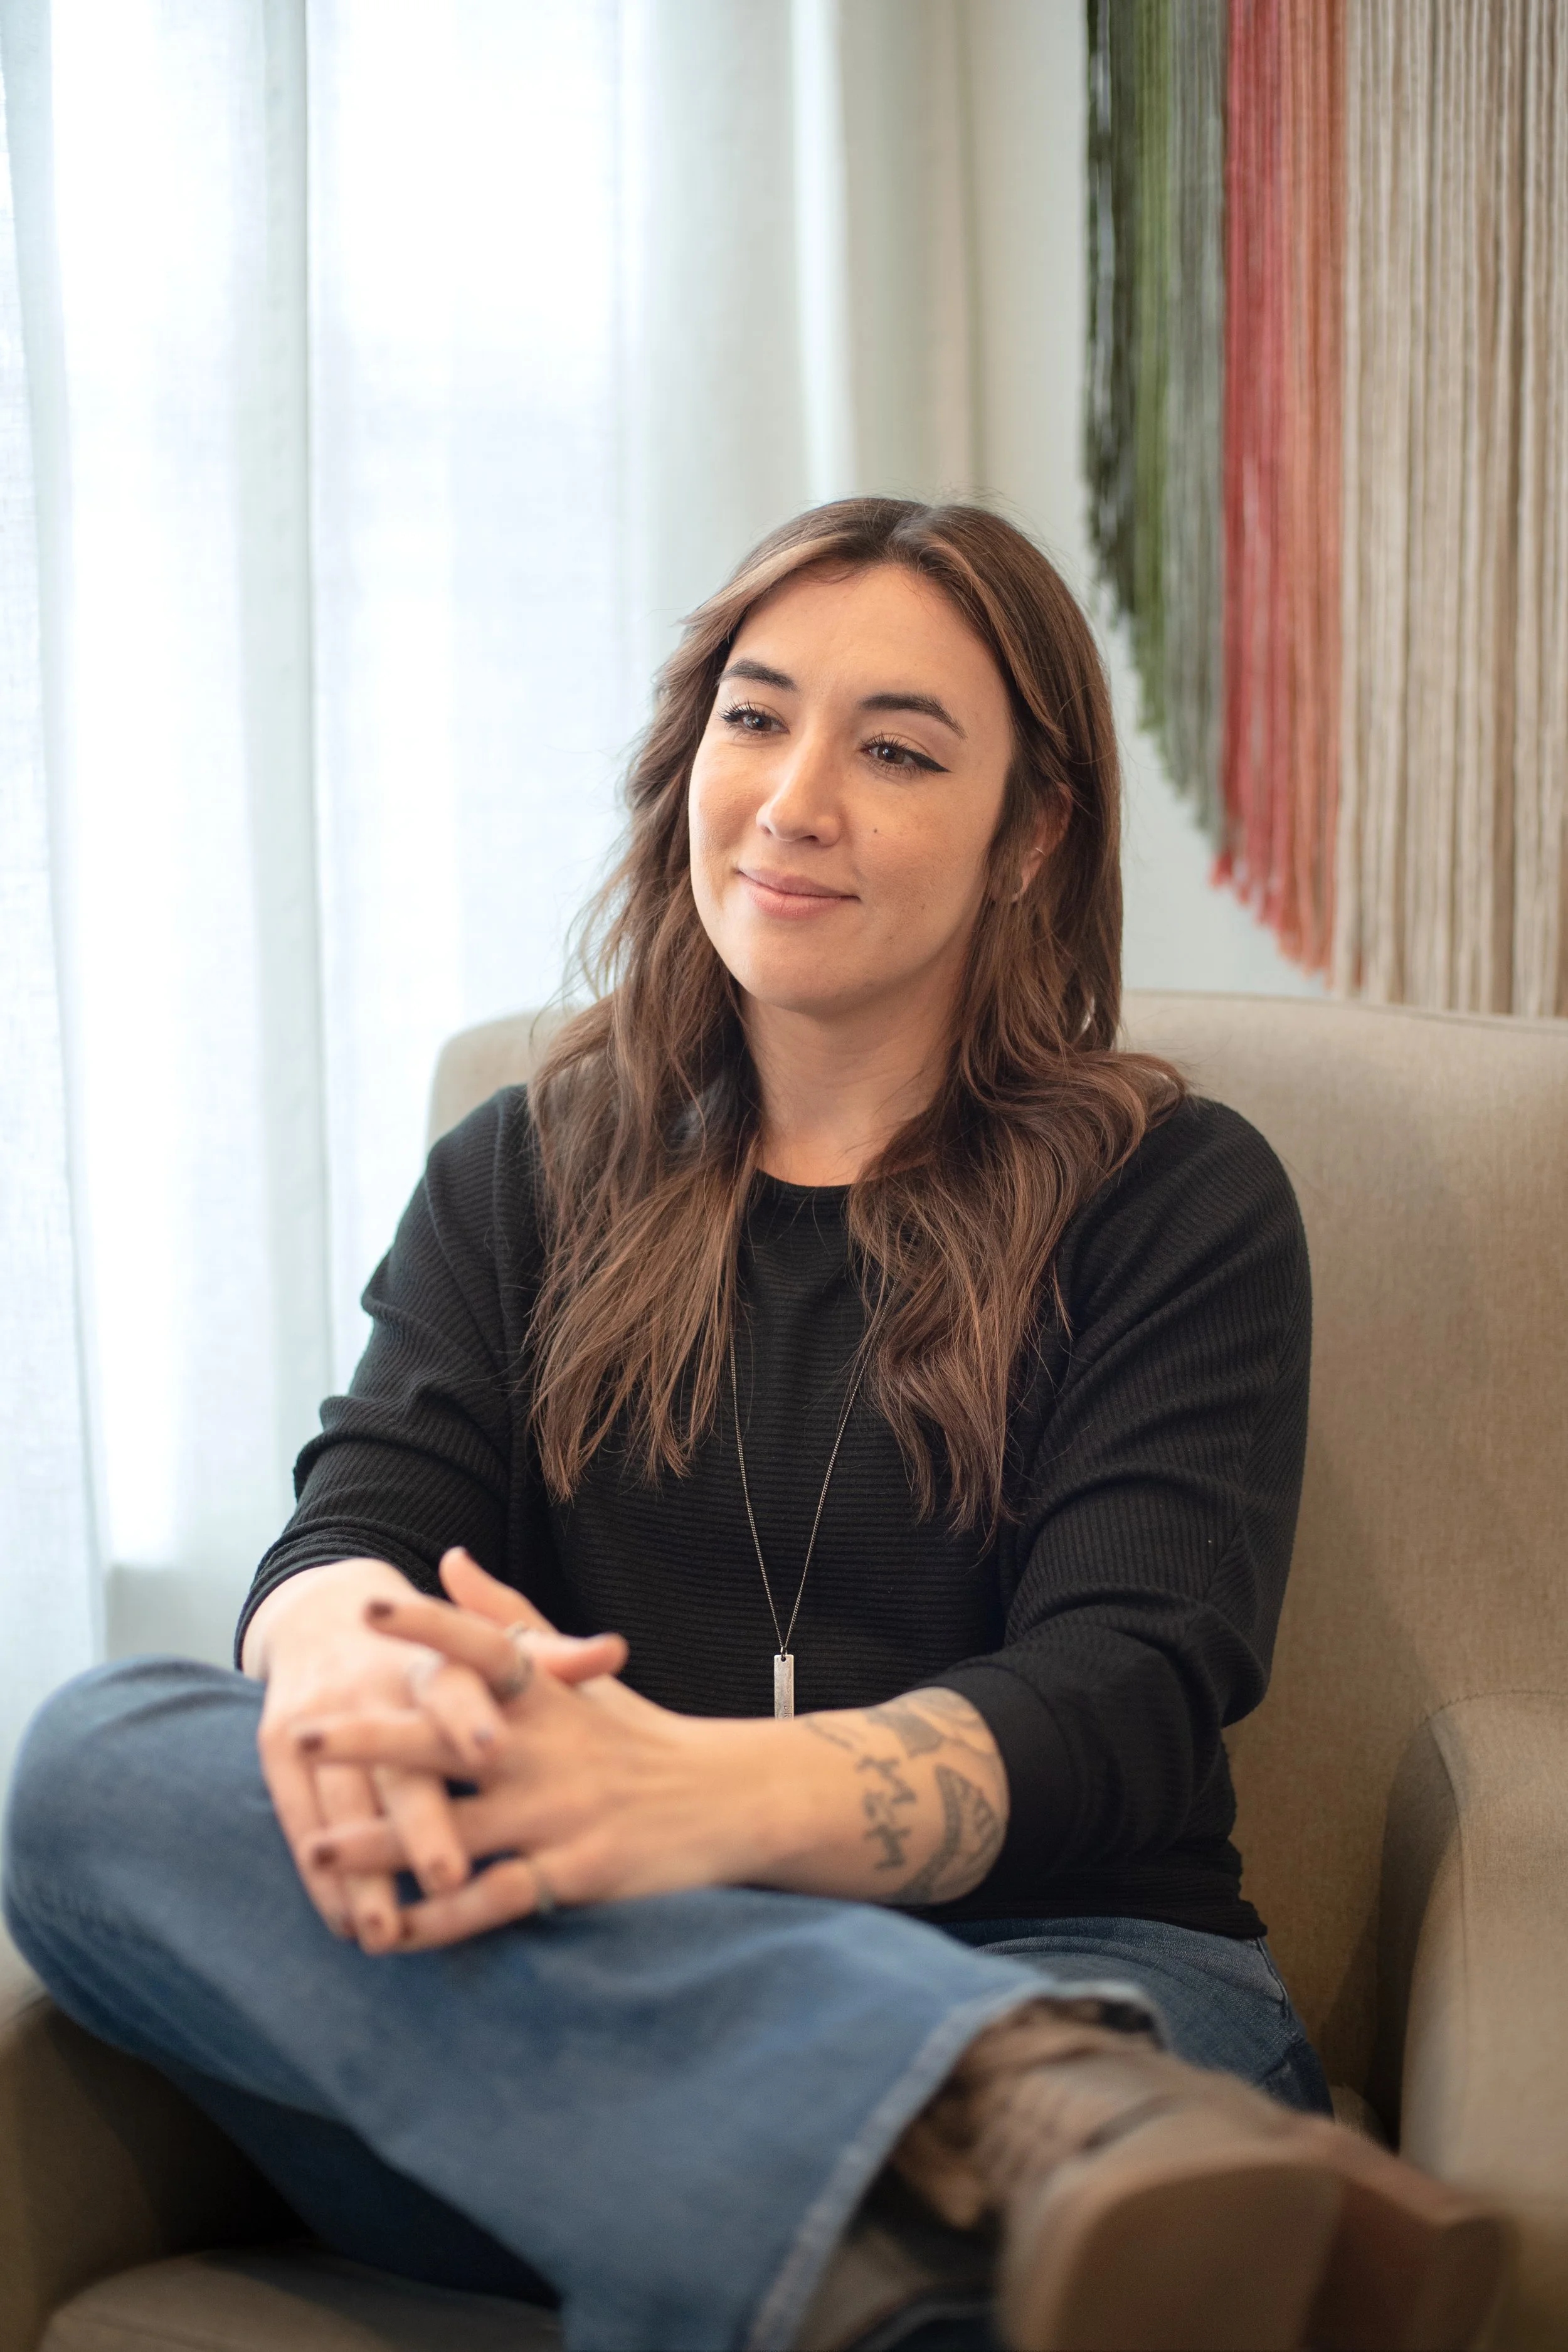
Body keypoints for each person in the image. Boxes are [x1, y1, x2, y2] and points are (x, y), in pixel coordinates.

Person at [4, 500, 1505, 2352]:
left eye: (896, 751)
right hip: (614, 1969)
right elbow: (359, 1524)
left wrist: (670, 1794)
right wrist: (352, 1671)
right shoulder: (521, 1170)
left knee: (793, 2229)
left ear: (1032, 832)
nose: (793, 800)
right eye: (755, 716)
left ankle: (871, 2185)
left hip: (1068, 1972)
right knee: (97, 1763)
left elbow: (1127, 1688)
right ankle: (939, 2150)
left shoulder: (1171, 1195)